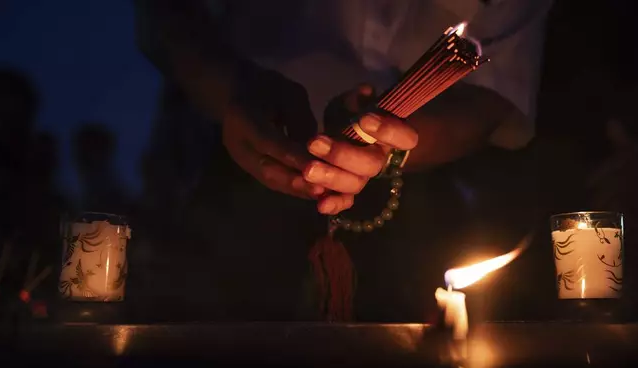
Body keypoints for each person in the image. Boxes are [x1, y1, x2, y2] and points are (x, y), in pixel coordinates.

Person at [133, 0, 553, 321]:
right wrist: (232, 91)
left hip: (418, 202)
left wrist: (390, 147)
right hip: (236, 163)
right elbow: (170, 17)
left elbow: (495, 91)